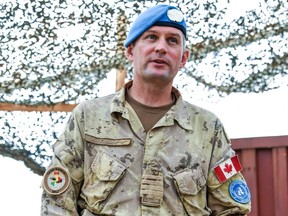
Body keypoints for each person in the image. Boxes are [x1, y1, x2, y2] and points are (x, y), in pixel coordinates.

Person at [41, 4, 251, 216]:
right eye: (151, 37)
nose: (161, 47)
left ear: (183, 58)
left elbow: (231, 209)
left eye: (172, 40)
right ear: (131, 51)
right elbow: (57, 200)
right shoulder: (89, 117)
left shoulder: (207, 128)